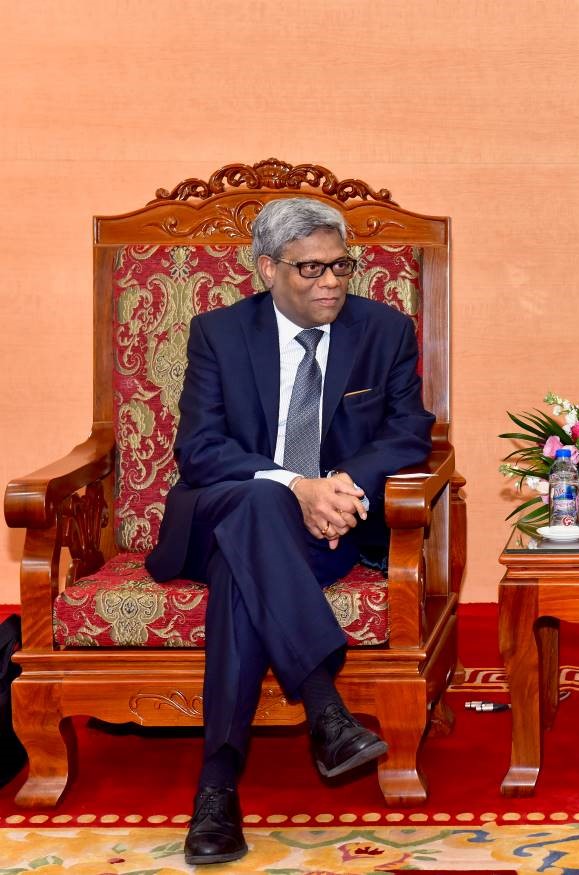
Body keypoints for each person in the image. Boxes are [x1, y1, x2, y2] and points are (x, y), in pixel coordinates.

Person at [145, 197, 435, 865]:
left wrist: (341, 485)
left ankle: (216, 789)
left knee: (243, 568)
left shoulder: (384, 330)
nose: (330, 282)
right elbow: (200, 450)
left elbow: (409, 432)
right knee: (256, 503)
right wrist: (296, 486)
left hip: (324, 530)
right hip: (217, 515)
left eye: (340, 266)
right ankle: (324, 706)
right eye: (310, 268)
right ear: (268, 269)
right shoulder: (219, 333)